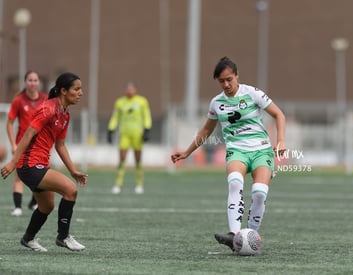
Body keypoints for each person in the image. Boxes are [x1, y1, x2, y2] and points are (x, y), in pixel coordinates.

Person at [171, 56, 286, 251]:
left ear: (237, 76)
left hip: (261, 150)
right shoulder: (216, 103)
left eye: (229, 79)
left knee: (259, 193)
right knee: (234, 182)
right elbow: (205, 131)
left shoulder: (253, 93)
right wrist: (187, 152)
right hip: (236, 151)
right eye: (221, 81)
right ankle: (234, 236)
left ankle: (250, 237)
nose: (226, 84)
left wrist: (281, 139)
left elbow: (278, 114)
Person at [1, 72, 88, 252]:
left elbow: (61, 145)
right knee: (71, 190)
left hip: (38, 164)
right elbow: (27, 134)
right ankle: (63, 237)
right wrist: (12, 162)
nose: (80, 93)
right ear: (63, 91)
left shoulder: (65, 114)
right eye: (76, 89)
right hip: (29, 165)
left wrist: (73, 171)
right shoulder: (47, 108)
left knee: (46, 206)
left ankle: (28, 238)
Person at [6, 70, 48, 216]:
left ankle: (33, 202)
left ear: (39, 82)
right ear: (25, 82)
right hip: (21, 143)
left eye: (35, 80)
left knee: (40, 174)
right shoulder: (19, 100)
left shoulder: (45, 99)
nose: (33, 83)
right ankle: (18, 207)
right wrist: (13, 144)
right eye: (30, 80)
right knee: (19, 175)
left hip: (39, 145)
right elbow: (9, 123)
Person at [107, 82, 152, 194]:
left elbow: (146, 116)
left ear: (135, 89)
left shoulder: (142, 101)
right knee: (122, 159)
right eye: (128, 89)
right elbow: (115, 117)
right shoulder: (120, 102)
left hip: (137, 135)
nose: (130, 90)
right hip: (124, 135)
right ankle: (118, 184)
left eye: (131, 88)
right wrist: (111, 129)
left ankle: (139, 184)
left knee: (138, 160)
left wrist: (147, 129)